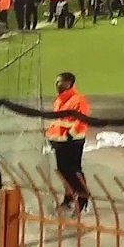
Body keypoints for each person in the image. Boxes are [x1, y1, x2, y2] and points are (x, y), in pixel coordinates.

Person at [46, 72, 91, 218]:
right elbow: (56, 120)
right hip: (59, 141)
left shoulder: (78, 100)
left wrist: (70, 134)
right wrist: (51, 135)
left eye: (60, 82)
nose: (57, 84)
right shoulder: (59, 100)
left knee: (73, 170)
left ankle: (83, 198)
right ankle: (69, 197)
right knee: (62, 170)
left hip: (73, 141)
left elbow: (81, 120)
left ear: (69, 83)